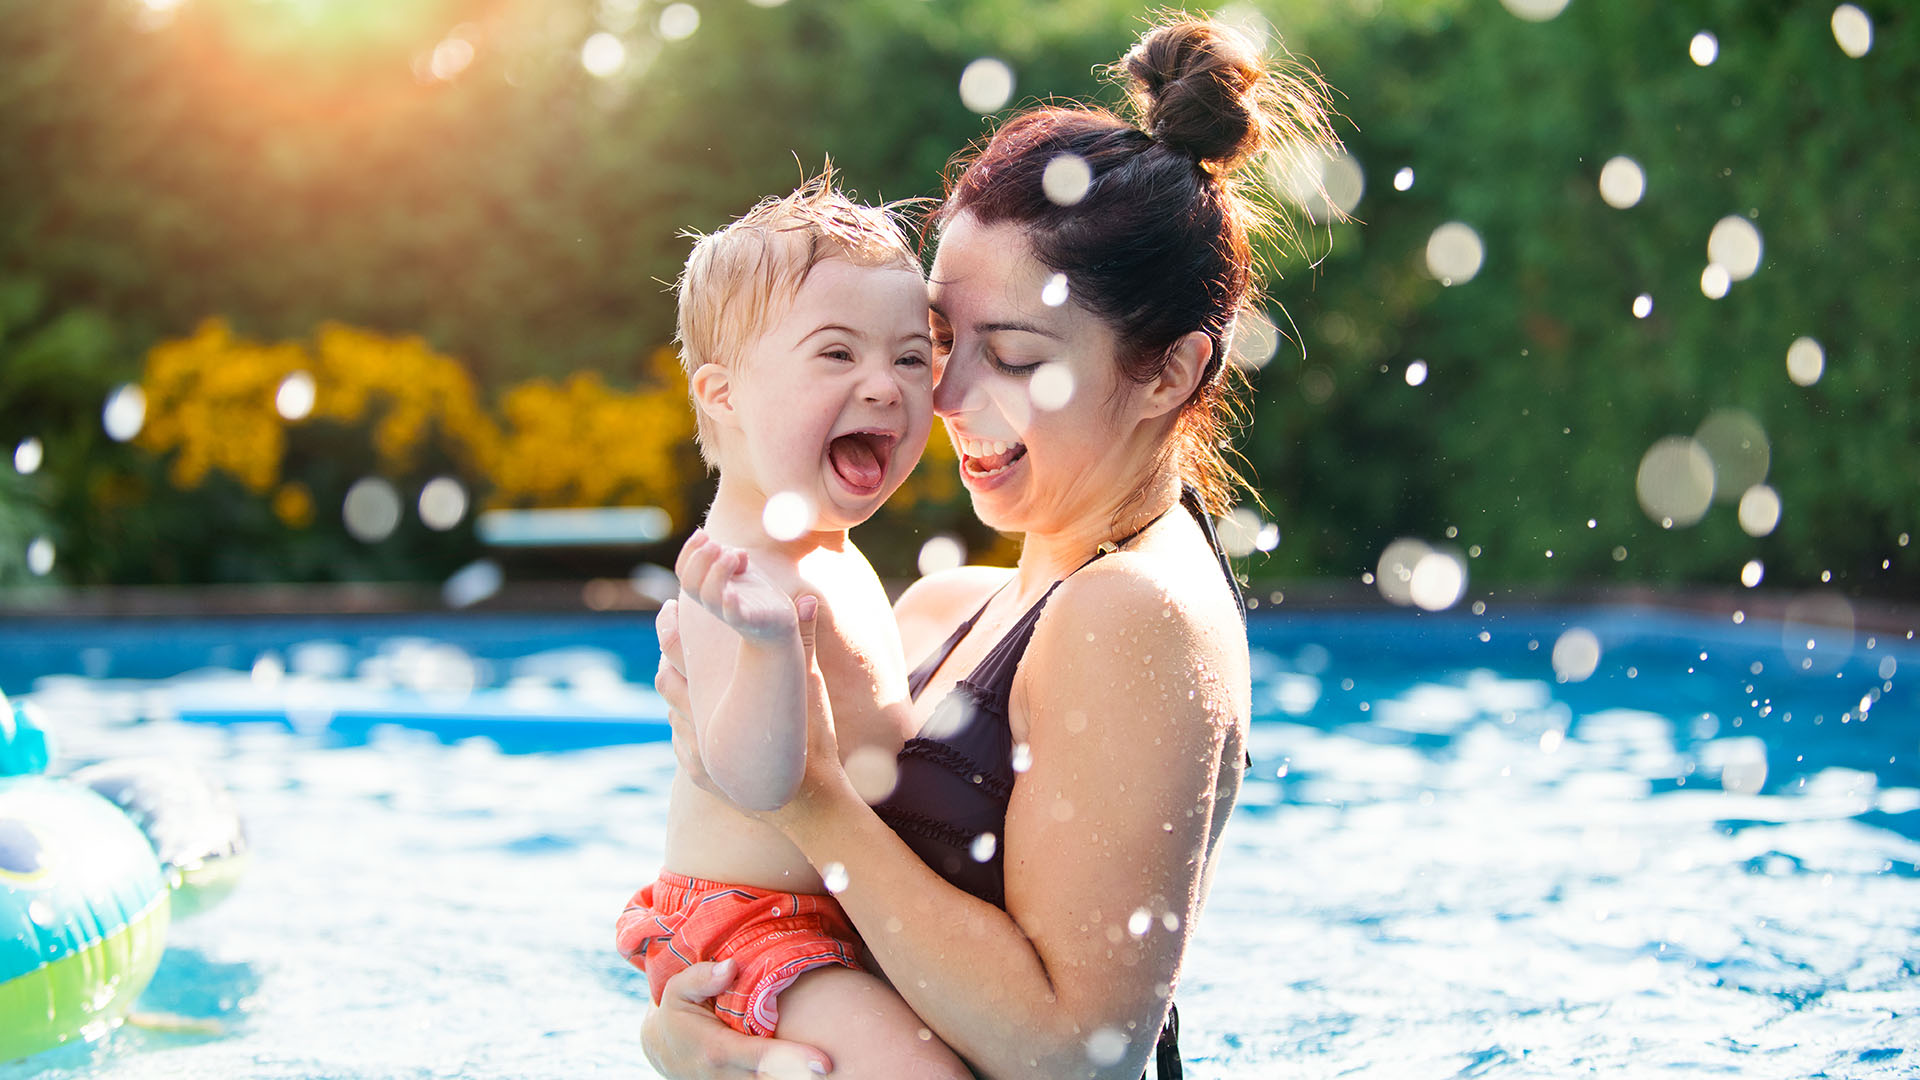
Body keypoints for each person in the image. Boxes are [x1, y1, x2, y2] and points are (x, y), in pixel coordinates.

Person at [641, 15, 1337, 1078]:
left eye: (1010, 355)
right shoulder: (949, 607)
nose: (947, 397)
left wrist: (809, 797)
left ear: (1170, 373)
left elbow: (1080, 1052)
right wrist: (703, 1037)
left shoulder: (1131, 613)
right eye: (940, 342)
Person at [612, 174, 972, 1080]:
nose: (884, 388)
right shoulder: (734, 574)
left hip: (832, 916)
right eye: (837, 355)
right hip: (754, 925)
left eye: (908, 358)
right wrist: (772, 649)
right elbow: (757, 778)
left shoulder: (828, 553)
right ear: (724, 395)